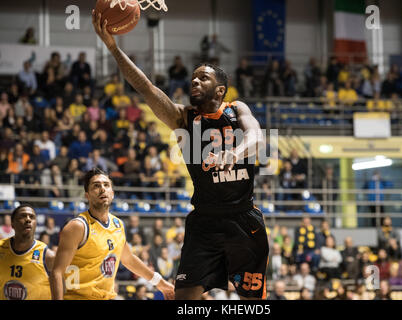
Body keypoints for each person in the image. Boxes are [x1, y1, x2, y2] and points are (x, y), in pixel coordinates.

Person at [93, 11, 269, 300]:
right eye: (193, 78)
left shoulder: (237, 109)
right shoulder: (182, 118)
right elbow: (145, 87)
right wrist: (113, 48)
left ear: (220, 89)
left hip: (243, 220)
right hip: (204, 222)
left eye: (203, 78)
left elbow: (257, 137)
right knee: (183, 298)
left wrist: (233, 153)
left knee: (253, 301)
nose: (195, 82)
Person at [49, 168, 174, 300]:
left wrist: (160, 283)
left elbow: (128, 259)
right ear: (87, 195)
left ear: (112, 193)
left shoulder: (118, 224)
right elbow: (57, 272)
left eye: (106, 185)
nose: (102, 189)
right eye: (96, 186)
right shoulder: (78, 226)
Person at [0, 204, 55, 299]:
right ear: (12, 224)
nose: (28, 219)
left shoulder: (48, 256)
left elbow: (60, 291)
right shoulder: (1, 248)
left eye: (32, 217)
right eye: (23, 216)